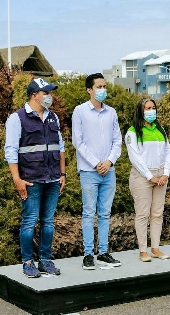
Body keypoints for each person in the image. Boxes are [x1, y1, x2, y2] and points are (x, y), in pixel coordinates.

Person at [4, 78, 65, 278]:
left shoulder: (53, 117)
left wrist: (62, 174)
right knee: (29, 222)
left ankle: (45, 260)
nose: (50, 96)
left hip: (53, 179)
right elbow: (11, 151)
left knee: (48, 222)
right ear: (34, 95)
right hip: (31, 180)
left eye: (50, 92)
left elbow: (60, 147)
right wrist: (17, 179)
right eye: (46, 93)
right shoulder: (17, 118)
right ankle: (28, 262)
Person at [72, 73, 123, 269]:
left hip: (109, 171)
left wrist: (109, 161)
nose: (103, 90)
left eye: (104, 86)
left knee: (105, 213)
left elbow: (117, 140)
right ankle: (88, 254)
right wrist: (96, 163)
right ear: (89, 90)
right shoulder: (80, 111)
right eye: (99, 87)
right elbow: (78, 142)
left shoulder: (111, 112)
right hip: (89, 171)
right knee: (88, 213)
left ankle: (103, 252)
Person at [125, 98, 170, 262]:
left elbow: (168, 152)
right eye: (147, 108)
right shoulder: (132, 132)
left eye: (153, 108)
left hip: (160, 176)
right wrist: (150, 176)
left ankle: (155, 248)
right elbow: (135, 158)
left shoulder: (161, 130)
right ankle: (143, 250)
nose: (151, 111)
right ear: (140, 111)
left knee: (157, 214)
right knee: (143, 214)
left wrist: (165, 173)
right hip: (142, 177)